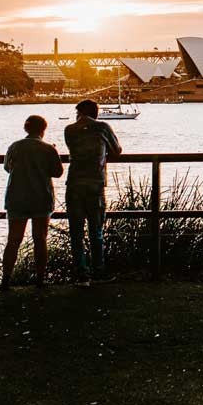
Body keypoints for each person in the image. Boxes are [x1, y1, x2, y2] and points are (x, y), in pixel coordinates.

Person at [1, 115, 64, 290]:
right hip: (41, 197)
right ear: (43, 129)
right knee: (40, 239)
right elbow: (58, 172)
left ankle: (6, 279)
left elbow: (7, 167)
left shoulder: (14, 147)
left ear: (26, 128)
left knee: (13, 240)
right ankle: (40, 279)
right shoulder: (48, 149)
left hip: (16, 197)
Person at [64, 99, 122, 286]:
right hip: (95, 184)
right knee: (96, 231)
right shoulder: (103, 127)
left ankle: (81, 274)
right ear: (95, 113)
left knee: (76, 232)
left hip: (74, 184)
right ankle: (98, 272)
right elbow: (117, 150)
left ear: (79, 113)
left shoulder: (69, 130)